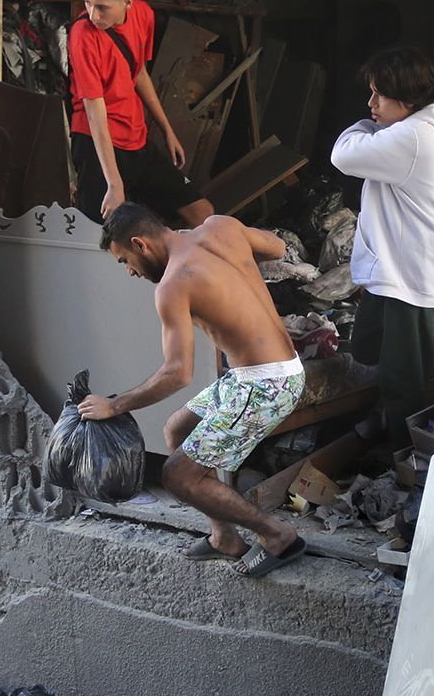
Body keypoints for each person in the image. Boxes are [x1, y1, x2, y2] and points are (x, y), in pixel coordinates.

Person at [78, 204, 309, 578]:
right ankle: (224, 537)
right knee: (176, 429)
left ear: (141, 244)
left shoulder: (173, 284)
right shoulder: (221, 227)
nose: (130, 272)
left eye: (125, 261)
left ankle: (278, 535)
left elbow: (177, 373)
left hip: (265, 384)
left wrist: (115, 405)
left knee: (178, 478)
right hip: (267, 371)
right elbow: (277, 248)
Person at [331, 48, 434, 442]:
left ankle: (403, 472)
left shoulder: (413, 137)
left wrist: (364, 127)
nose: (370, 104)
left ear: (408, 100)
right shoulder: (409, 131)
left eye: (379, 95)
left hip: (411, 277)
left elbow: (342, 155)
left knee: (402, 389)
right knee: (367, 347)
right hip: (393, 271)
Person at [68, 0, 213, 227]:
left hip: (136, 139)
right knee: (104, 233)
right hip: (96, 142)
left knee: (202, 213)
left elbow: (139, 73)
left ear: (128, 2)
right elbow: (94, 109)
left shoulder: (144, 15)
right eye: (87, 3)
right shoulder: (82, 35)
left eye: (102, 7)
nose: (93, 15)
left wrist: (167, 130)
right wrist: (114, 183)